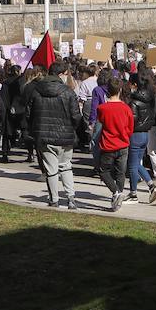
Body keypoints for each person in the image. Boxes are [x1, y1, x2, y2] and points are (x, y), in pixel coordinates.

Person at [28, 62, 83, 208]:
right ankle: (71, 198)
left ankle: (54, 198)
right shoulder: (68, 92)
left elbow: (30, 114)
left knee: (51, 169)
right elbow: (76, 116)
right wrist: (72, 128)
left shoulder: (37, 90)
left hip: (44, 135)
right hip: (65, 135)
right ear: (61, 75)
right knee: (66, 166)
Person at [96, 76, 134, 212]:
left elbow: (100, 123)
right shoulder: (126, 108)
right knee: (120, 173)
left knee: (104, 171)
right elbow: (130, 128)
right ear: (120, 90)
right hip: (123, 144)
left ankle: (116, 192)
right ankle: (117, 195)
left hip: (108, 144)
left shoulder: (102, 108)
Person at [126, 71, 156, 201]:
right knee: (136, 164)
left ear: (135, 85)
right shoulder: (151, 97)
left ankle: (134, 193)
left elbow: (132, 120)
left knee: (133, 165)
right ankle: (151, 185)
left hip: (135, 133)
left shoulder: (134, 101)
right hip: (145, 133)